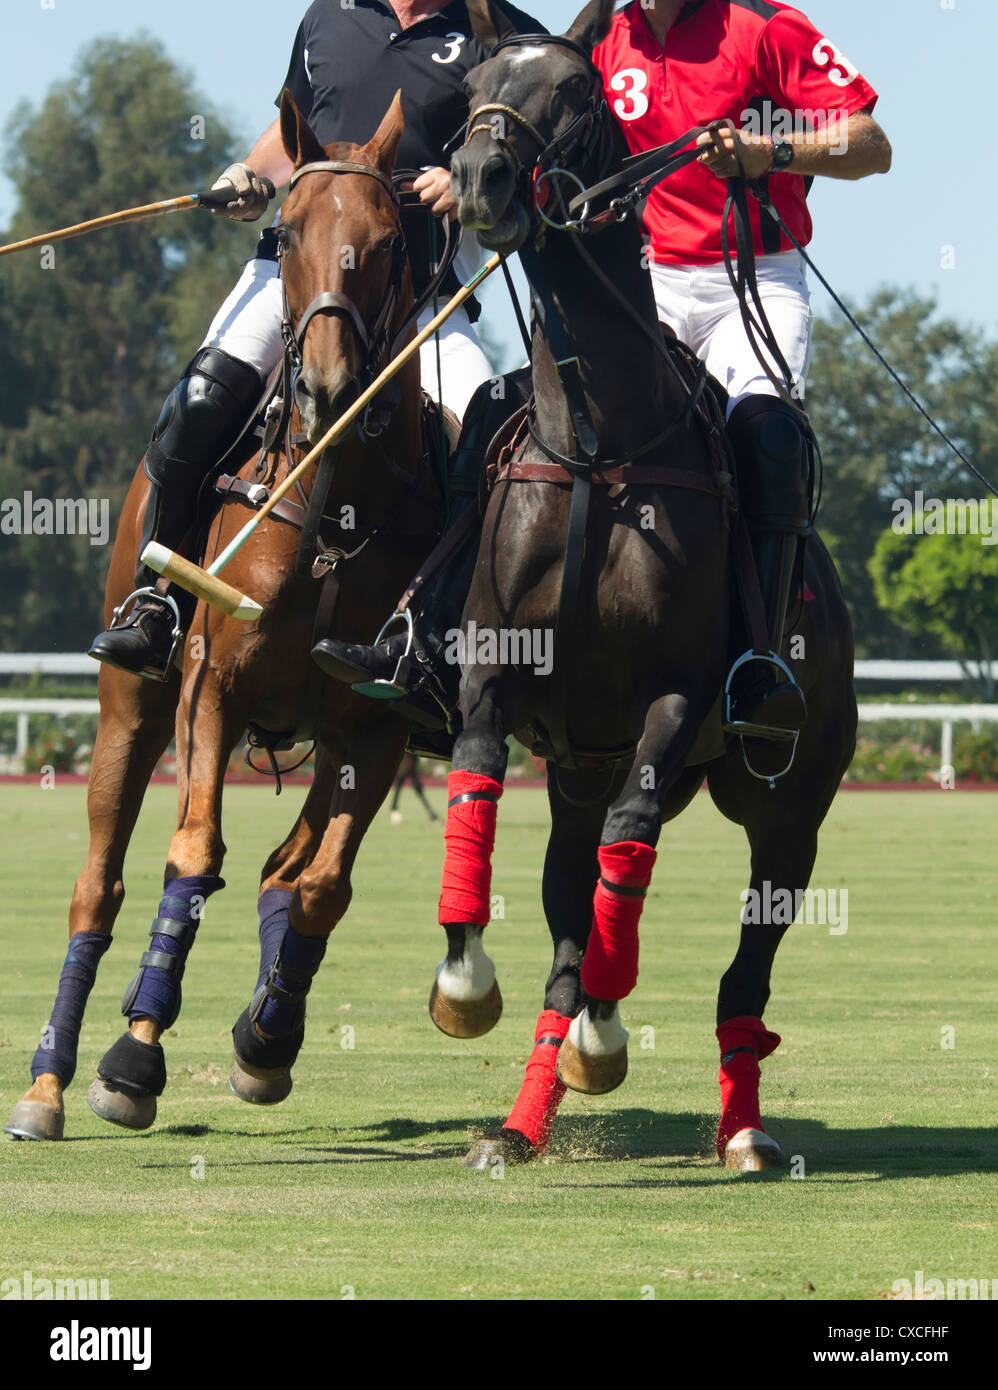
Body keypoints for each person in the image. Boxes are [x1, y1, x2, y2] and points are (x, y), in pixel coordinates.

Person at [318, 0, 891, 735]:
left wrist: (768, 152)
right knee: (500, 411)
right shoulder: (599, 45)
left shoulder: (764, 26)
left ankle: (759, 663)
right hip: (636, 278)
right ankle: (429, 642)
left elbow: (872, 145)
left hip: (750, 276)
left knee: (769, 436)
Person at [90, 0, 542, 681]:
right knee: (204, 396)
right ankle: (154, 604)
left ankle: (438, 649)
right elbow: (294, 123)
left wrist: (469, 176)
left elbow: (532, 141)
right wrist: (250, 173)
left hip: (418, 292)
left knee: (485, 446)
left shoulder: (496, 29)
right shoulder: (328, 15)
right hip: (297, 276)